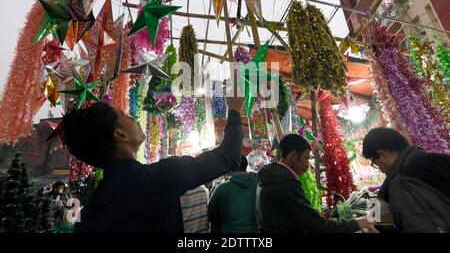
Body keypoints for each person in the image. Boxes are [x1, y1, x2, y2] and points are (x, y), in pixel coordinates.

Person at [61, 95, 244, 233]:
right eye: (124, 115)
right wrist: (235, 107)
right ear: (120, 135)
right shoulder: (156, 178)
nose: (132, 117)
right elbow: (228, 156)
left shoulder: (90, 210)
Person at [256, 134, 376, 233]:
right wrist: (360, 222)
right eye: (305, 158)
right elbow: (317, 226)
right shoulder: (283, 182)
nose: (307, 164)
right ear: (293, 157)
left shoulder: (273, 177)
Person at [363, 127, 450, 233]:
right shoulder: (440, 158)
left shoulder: (401, 183)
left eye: (375, 163)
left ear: (382, 154)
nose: (380, 170)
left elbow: (416, 226)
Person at [208, 155, 258, 233]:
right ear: (246, 166)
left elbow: (211, 214)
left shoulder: (221, 188)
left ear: (232, 167)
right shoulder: (258, 185)